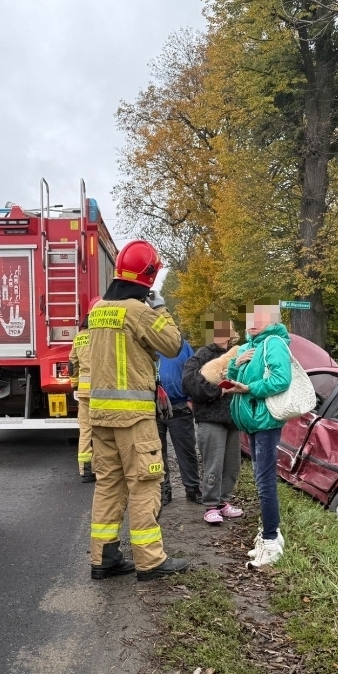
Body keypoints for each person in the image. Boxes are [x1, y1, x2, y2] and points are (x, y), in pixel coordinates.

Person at [87, 239, 188, 581]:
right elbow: (173, 344)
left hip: (100, 417)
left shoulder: (97, 309)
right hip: (133, 419)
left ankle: (104, 558)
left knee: (108, 486)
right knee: (146, 484)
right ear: (148, 277)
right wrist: (160, 308)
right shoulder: (139, 311)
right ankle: (150, 561)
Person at [224, 303, 292, 568]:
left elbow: (281, 380)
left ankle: (271, 540)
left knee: (265, 483)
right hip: (251, 421)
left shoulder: (273, 342)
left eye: (260, 318)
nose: (253, 322)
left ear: (272, 321)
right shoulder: (246, 347)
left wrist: (249, 388)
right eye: (250, 318)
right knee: (259, 479)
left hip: (265, 420)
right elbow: (231, 378)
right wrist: (235, 364)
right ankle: (269, 535)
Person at [182, 314, 243, 525]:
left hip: (234, 418)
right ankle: (210, 505)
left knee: (232, 465)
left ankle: (223, 502)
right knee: (213, 464)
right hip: (210, 418)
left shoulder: (240, 353)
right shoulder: (202, 355)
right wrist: (219, 392)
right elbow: (190, 382)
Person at [156, 338, 202, 506]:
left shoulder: (182, 345)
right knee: (156, 454)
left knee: (187, 451)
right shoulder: (147, 343)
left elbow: (193, 372)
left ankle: (192, 489)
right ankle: (163, 491)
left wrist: (190, 399)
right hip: (153, 408)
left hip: (179, 406)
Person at [70, 298, 101, 483]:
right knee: (101, 432)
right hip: (101, 391)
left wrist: (75, 383)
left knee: (85, 431)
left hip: (83, 392)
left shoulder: (79, 337)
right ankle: (98, 468)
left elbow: (71, 363)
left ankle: (85, 470)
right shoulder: (102, 336)